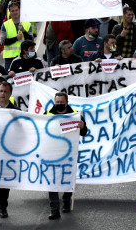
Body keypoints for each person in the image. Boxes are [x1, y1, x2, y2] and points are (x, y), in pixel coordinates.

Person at [46, 91, 88, 219]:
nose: (59, 104)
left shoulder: (75, 114)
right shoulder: (48, 113)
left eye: (61, 102)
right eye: (57, 102)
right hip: (52, 152)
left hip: (69, 153)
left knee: (68, 178)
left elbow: (84, 132)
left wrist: (82, 126)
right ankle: (54, 209)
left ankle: (66, 201)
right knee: (52, 181)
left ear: (67, 102)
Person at [0, 81, 20, 222]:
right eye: (1, 91)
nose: (3, 94)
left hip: (9, 154)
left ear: (10, 94)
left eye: (6, 92)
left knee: (5, 183)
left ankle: (3, 205)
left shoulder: (16, 112)